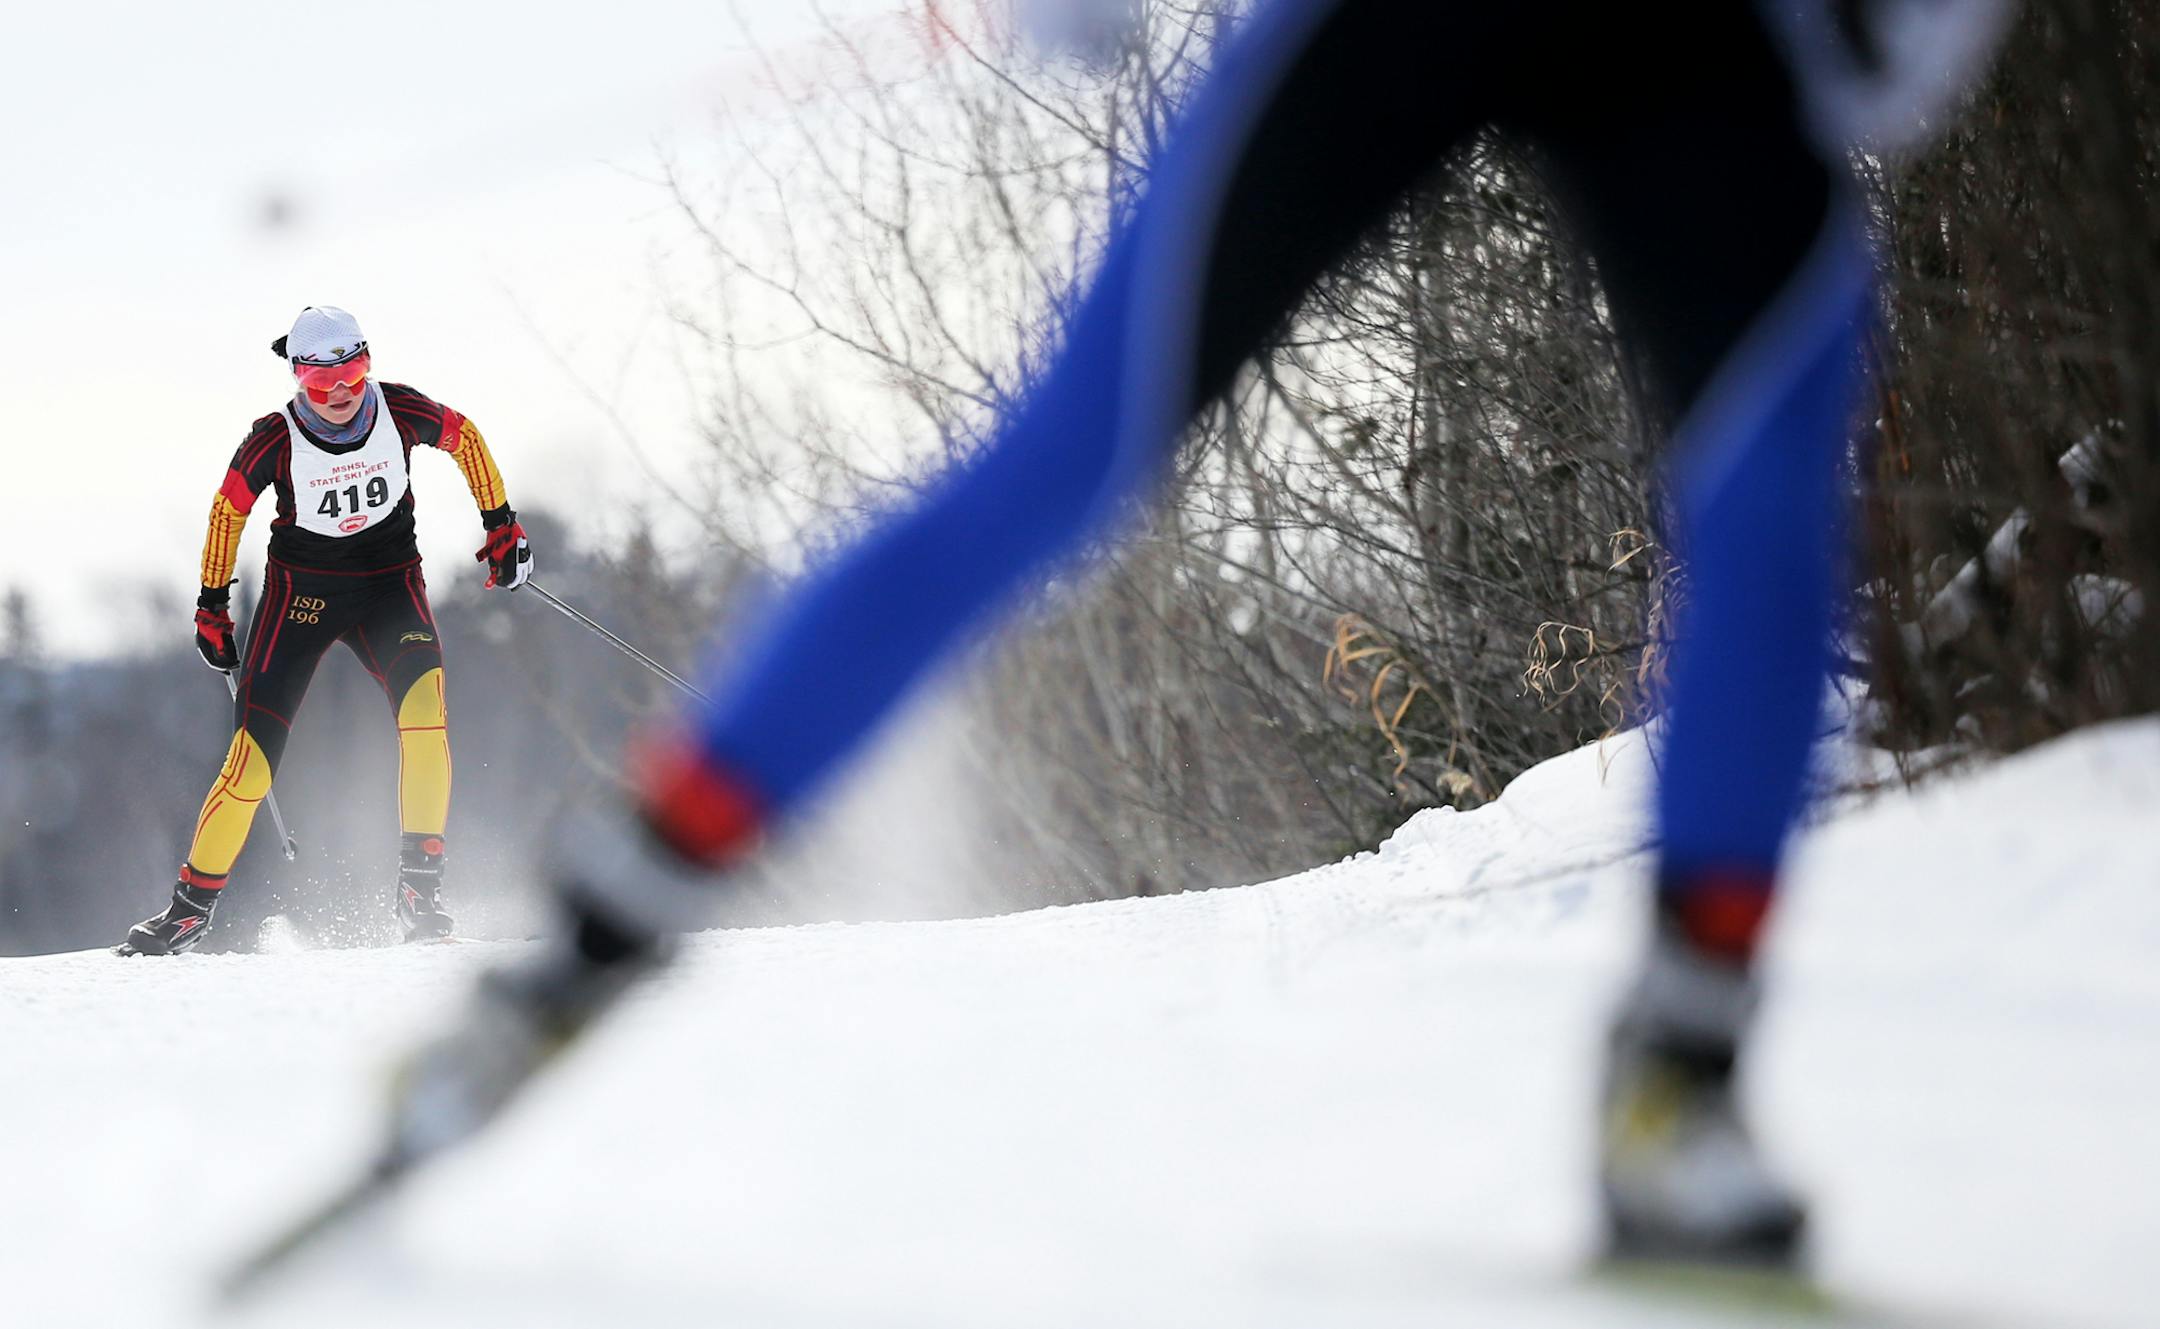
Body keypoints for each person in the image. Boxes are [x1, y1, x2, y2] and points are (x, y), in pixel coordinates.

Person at [385, 0, 2009, 1268]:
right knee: (1065, 456)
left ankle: (1684, 1078)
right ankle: (588, 941)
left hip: (1701, 38)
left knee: (1770, 501)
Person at [118, 306, 533, 955]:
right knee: (250, 762)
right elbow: (228, 512)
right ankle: (188, 911)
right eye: (321, 382)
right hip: (302, 602)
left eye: (354, 371)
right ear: (297, 379)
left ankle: (420, 894)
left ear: (368, 362)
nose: (341, 392)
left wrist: (502, 525)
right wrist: (212, 608)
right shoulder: (273, 439)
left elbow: (467, 439)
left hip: (390, 591)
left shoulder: (399, 411)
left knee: (426, 724)